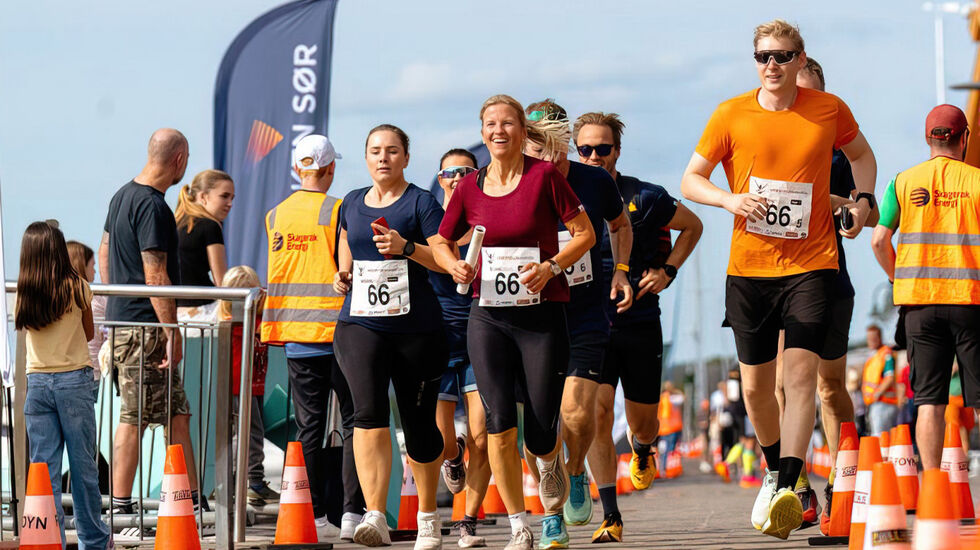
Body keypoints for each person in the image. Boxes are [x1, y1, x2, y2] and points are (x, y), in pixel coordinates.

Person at [680, 20, 877, 539]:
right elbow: (691, 179)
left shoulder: (828, 110)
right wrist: (729, 199)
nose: (773, 65)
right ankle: (777, 470)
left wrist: (863, 200)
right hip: (749, 269)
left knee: (800, 377)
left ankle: (789, 482)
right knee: (755, 389)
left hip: (812, 264)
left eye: (784, 56)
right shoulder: (730, 113)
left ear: (800, 58)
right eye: (764, 56)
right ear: (755, 60)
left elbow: (862, 156)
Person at [432, 94, 596, 550]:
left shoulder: (544, 177)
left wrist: (552, 267)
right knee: (498, 422)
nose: (498, 131)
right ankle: (519, 524)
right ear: (482, 131)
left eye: (508, 123)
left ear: (523, 132)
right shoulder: (469, 187)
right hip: (488, 318)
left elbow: (586, 235)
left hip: (541, 316)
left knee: (542, 426)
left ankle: (549, 465)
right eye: (490, 124)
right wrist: (453, 266)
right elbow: (442, 241)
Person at [573, 110, 702, 542]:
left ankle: (643, 448)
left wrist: (668, 271)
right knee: (596, 411)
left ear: (617, 152)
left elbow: (693, 226)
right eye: (585, 149)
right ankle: (610, 514)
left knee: (643, 422)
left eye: (602, 149)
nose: (593, 157)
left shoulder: (644, 196)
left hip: (641, 318)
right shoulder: (565, 196)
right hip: (590, 321)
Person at [771, 56, 880, 532]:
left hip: (828, 281)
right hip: (772, 280)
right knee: (779, 387)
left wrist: (844, 205)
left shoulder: (838, 155)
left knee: (828, 387)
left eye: (810, 94)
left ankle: (843, 484)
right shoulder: (766, 144)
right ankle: (796, 488)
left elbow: (871, 216)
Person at [332, 124, 448, 549]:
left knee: (419, 429)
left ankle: (428, 517)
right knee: (367, 414)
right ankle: (375, 514)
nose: (384, 158)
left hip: (416, 330)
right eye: (376, 151)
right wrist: (341, 272)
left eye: (393, 151)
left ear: (406, 157)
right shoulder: (350, 201)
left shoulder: (421, 203)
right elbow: (347, 238)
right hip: (360, 323)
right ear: (365, 157)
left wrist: (406, 247)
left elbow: (443, 259)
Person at [521, 99, 633, 539]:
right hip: (532, 315)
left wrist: (621, 270)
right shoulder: (513, 183)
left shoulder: (593, 181)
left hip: (585, 312)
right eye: (536, 143)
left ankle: (574, 472)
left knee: (578, 413)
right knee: (537, 421)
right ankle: (553, 483)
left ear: (566, 139)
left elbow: (620, 225)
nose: (547, 151)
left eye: (554, 141)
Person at [261, 134, 363, 540]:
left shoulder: (275, 215)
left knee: (307, 429)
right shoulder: (339, 209)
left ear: (296, 169)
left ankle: (313, 513)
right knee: (357, 420)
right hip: (341, 332)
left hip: (297, 336)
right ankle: (353, 512)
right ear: (331, 169)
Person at [99, 128, 203, 519]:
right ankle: (121, 511)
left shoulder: (122, 195)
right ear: (179, 160)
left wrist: (116, 302)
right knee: (136, 417)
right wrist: (170, 331)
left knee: (178, 416)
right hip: (145, 329)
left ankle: (189, 503)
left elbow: (105, 249)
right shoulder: (155, 207)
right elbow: (155, 275)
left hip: (131, 323)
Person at [871, 103, 980, 471]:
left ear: (927, 138)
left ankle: (934, 488)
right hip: (971, 304)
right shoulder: (977, 182)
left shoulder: (902, 182)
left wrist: (896, 277)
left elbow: (878, 240)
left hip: (919, 307)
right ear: (964, 138)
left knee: (929, 401)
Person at [17, 221, 111, 550]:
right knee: (84, 467)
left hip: (37, 383)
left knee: (44, 470)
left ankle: (47, 539)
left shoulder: (23, 291)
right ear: (59, 249)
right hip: (74, 380)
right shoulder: (78, 287)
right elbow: (88, 334)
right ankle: (94, 541)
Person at [431, 148, 491, 549]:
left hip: (483, 336)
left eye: (466, 171)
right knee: (439, 435)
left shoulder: (488, 219)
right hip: (438, 338)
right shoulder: (427, 220)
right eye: (450, 172)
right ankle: (453, 456)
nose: (457, 177)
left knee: (484, 433)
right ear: (440, 179)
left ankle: (467, 522)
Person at [219, 266, 276, 506]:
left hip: (253, 385)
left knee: (250, 432)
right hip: (238, 386)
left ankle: (238, 482)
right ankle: (252, 481)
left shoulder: (261, 321)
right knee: (249, 433)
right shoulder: (234, 324)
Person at [174, 169, 235, 315]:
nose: (230, 203)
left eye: (232, 198)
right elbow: (222, 283)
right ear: (203, 196)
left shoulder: (176, 224)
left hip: (174, 313)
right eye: (224, 196)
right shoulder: (210, 226)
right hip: (201, 313)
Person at [67, 240, 106, 378]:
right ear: (81, 265)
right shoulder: (97, 298)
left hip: (66, 370)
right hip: (92, 371)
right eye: (92, 265)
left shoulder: (58, 297)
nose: (95, 270)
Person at [860, 324, 897, 436]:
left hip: (883, 402)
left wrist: (877, 394)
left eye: (873, 338)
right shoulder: (874, 357)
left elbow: (889, 378)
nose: (870, 341)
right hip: (876, 403)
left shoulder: (885, 354)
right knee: (880, 437)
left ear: (879, 338)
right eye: (869, 339)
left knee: (880, 438)